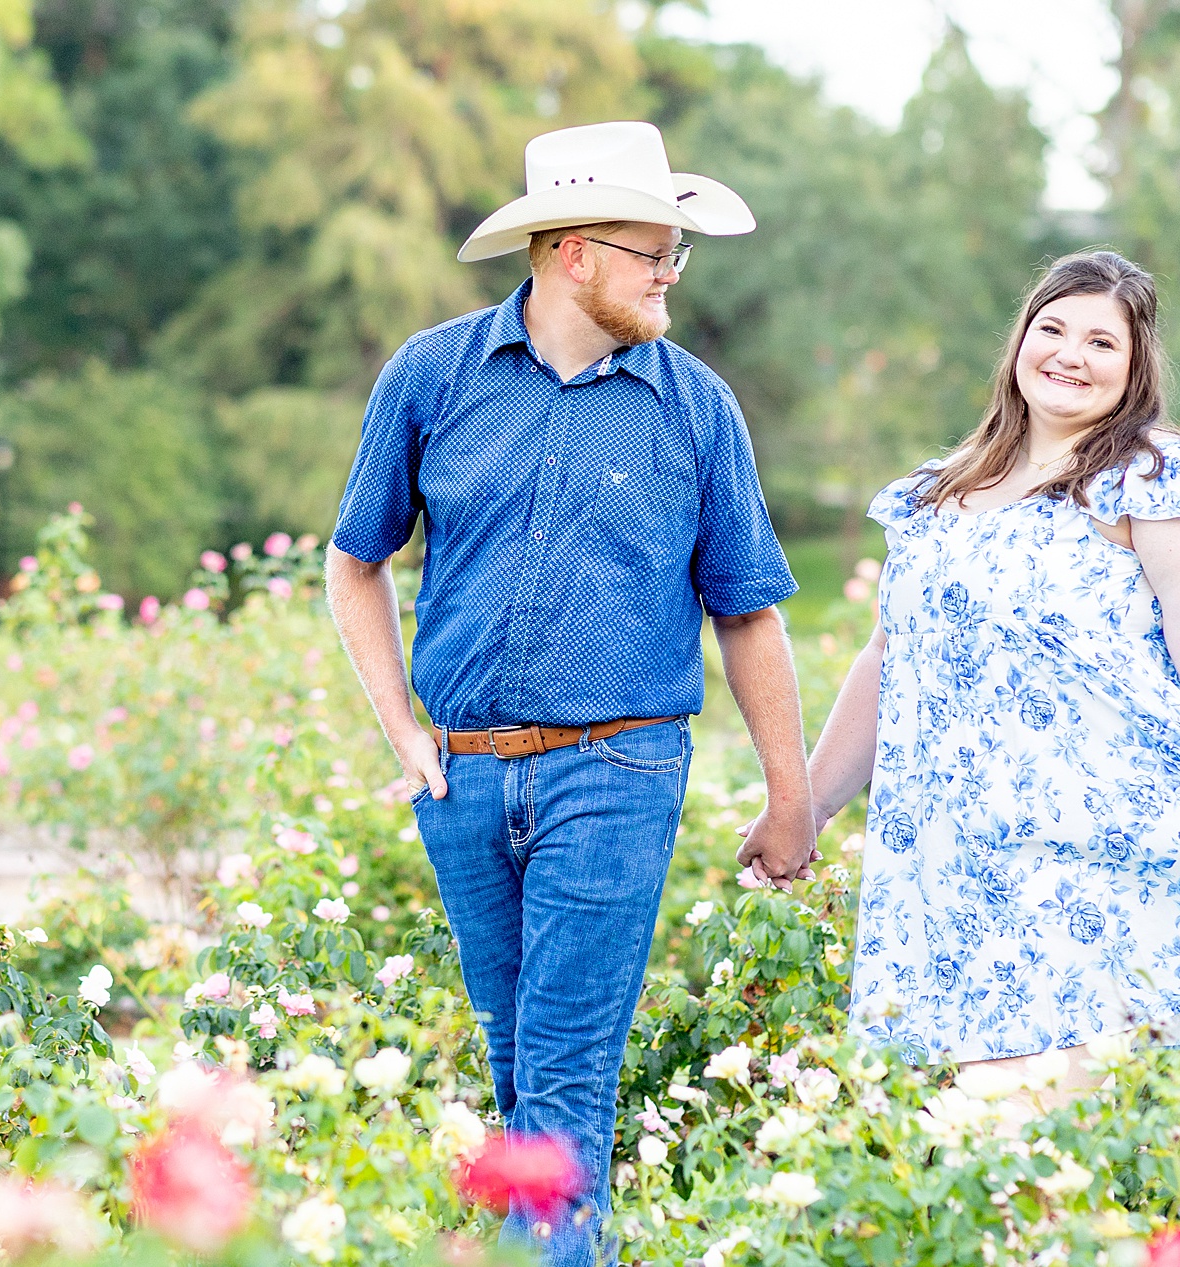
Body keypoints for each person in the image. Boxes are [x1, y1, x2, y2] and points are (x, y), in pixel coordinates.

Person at [324, 121, 819, 1265]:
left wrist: (787, 796)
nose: (670, 275)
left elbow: (747, 611)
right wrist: (401, 726)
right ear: (570, 252)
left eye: (675, 254)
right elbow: (356, 562)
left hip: (620, 765)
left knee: (560, 1076)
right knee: (516, 1066)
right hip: (459, 774)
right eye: (653, 252)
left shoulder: (696, 408)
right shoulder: (432, 375)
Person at [799, 250, 1180, 1095]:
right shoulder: (934, 496)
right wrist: (804, 809)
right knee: (989, 1147)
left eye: (1103, 341)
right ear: (1020, 342)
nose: (1071, 354)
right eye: (1054, 328)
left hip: (1087, 844)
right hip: (951, 860)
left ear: (1136, 366)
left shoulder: (1155, 480)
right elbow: (891, 660)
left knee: (1012, 1122)